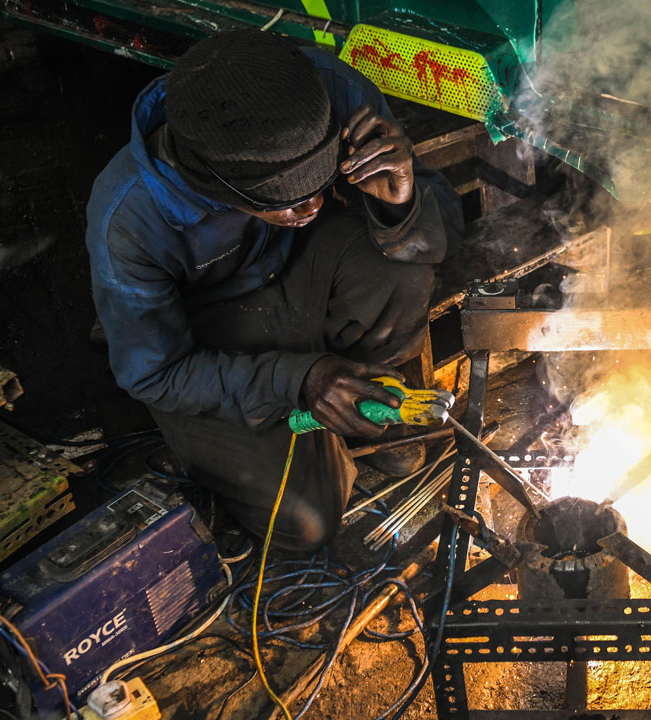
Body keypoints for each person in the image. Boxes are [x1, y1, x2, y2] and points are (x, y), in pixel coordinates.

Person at [85, 29, 462, 550]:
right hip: (212, 334)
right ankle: (326, 408)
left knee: (397, 266)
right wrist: (297, 378)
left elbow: (433, 236)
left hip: (300, 268)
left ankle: (375, 400)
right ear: (214, 188)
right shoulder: (126, 220)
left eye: (318, 187)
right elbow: (157, 373)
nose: (309, 210)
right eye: (283, 202)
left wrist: (398, 207)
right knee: (307, 522)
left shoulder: (328, 93)